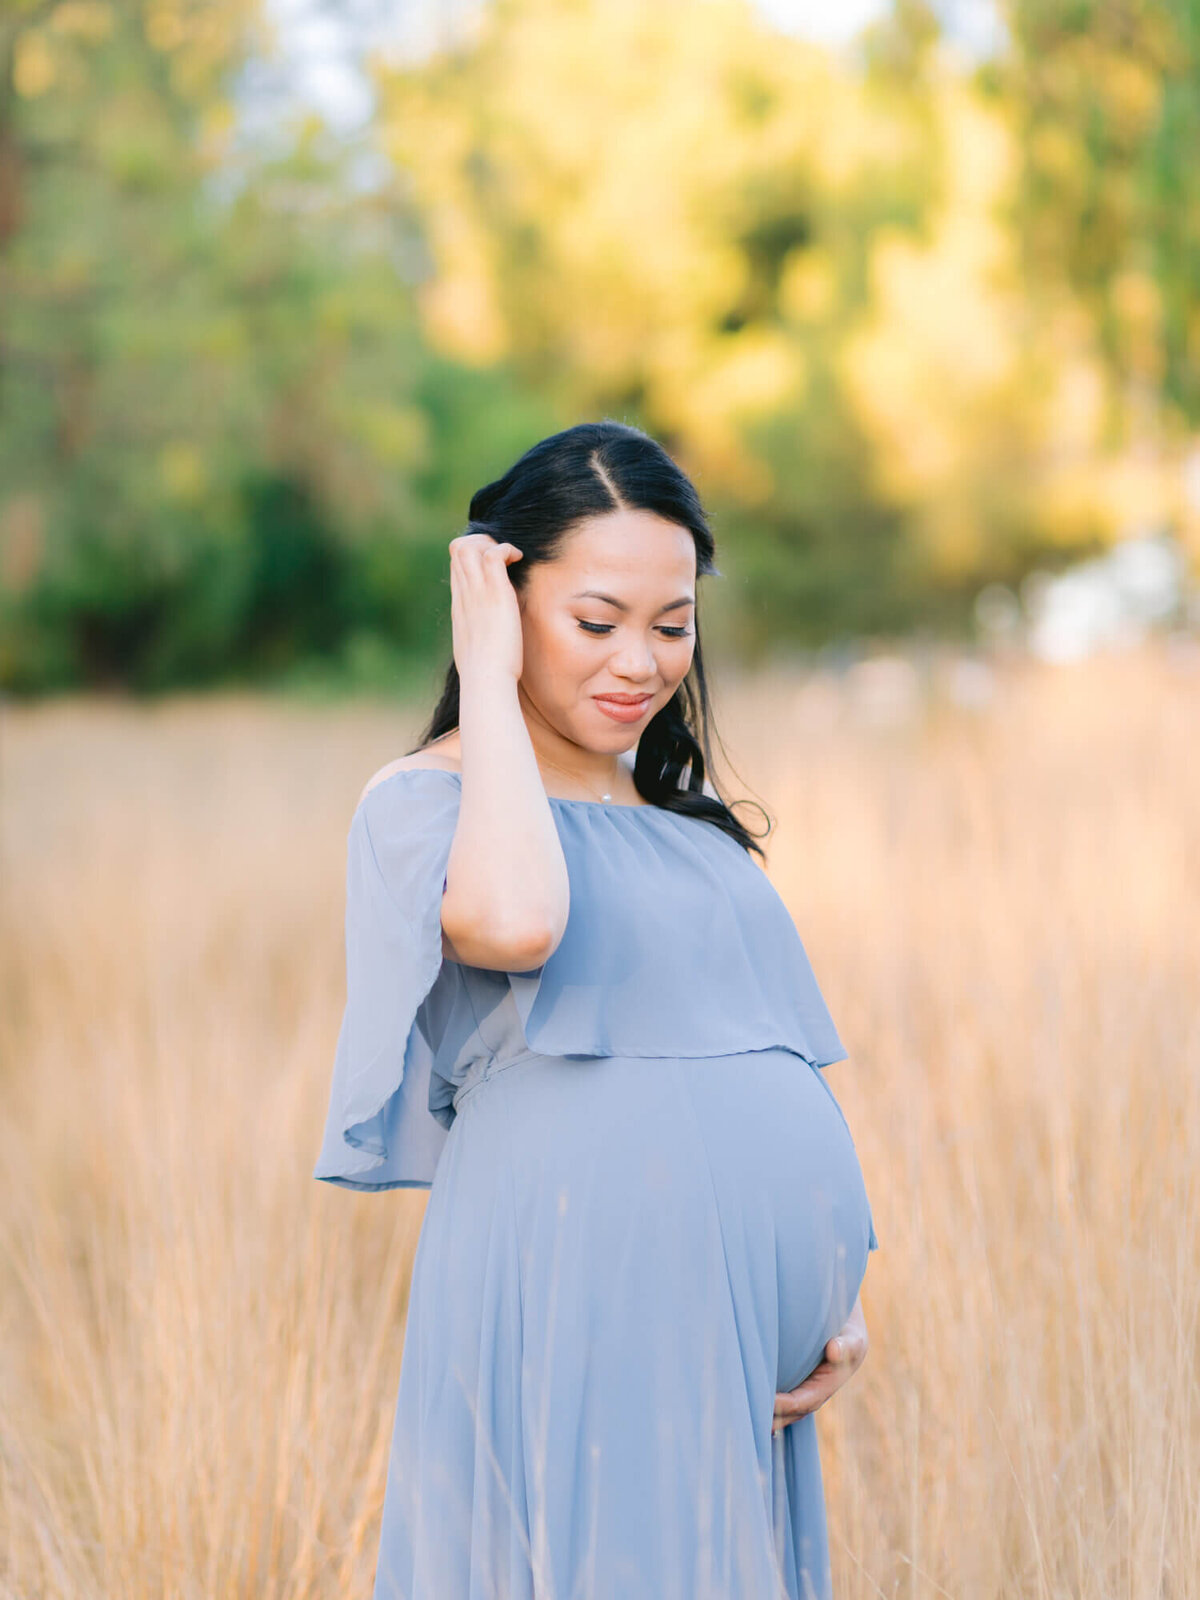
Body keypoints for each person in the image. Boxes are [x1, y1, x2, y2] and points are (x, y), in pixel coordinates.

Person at [313, 419, 879, 1600]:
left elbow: (755, 1054)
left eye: (673, 626)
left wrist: (832, 1301)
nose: (642, 663)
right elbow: (518, 921)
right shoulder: (427, 803)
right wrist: (486, 673)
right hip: (575, 1299)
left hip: (739, 1353)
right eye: (595, 622)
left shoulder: (691, 822)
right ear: (504, 598)